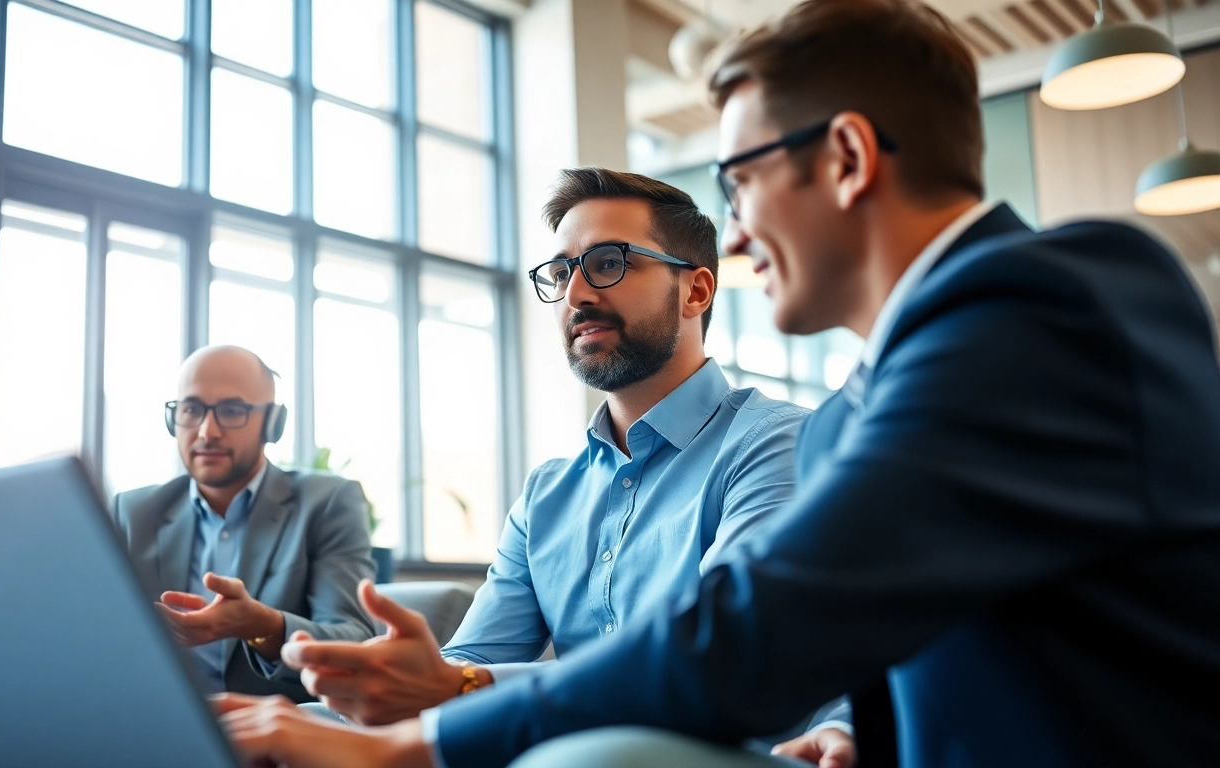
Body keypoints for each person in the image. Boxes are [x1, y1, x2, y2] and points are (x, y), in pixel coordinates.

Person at [211, 0, 1220, 766]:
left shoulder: (1047, 300)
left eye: (740, 182)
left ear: (846, 157)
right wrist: (858, 732)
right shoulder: (853, 417)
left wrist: (416, 748)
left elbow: (763, 631)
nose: (738, 234)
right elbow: (897, 642)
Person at [252, 168, 847, 753]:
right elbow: (473, 659)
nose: (576, 295)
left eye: (608, 263)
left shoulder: (775, 445)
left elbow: (718, 657)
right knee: (269, 733)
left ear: (695, 291)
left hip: (718, 753)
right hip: (568, 747)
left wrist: (463, 687)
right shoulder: (547, 493)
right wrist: (373, 686)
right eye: (561, 274)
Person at [111, 344, 376, 703]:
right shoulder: (132, 512)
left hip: (276, 723)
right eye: (191, 409)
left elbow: (355, 641)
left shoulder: (326, 504)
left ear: (273, 423)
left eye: (231, 411)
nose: (207, 431)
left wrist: (264, 627)